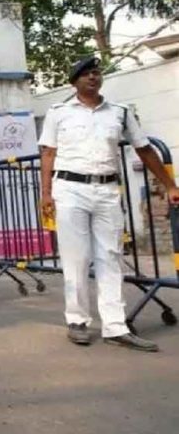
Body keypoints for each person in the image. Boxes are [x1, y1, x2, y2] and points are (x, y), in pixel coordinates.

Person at [39, 57, 179, 352]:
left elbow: (144, 149)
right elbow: (48, 154)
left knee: (110, 256)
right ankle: (77, 321)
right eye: (86, 74)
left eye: (96, 73)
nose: (93, 77)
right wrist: (46, 193)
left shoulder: (120, 113)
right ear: (74, 81)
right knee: (76, 258)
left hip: (107, 190)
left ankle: (115, 326)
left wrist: (169, 185)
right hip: (70, 189)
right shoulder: (58, 113)